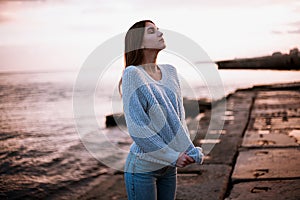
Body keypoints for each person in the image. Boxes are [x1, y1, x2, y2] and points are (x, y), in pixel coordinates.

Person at [119, 20, 204, 200]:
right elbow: (138, 128)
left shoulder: (171, 72)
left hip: (168, 167)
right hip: (143, 168)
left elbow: (178, 120)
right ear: (139, 43)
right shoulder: (133, 74)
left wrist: (186, 150)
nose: (160, 33)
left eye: (158, 30)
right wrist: (172, 156)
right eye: (152, 31)